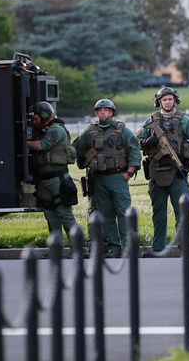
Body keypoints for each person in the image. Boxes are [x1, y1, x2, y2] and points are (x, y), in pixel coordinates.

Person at [137, 87, 189, 254]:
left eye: (170, 99)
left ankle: (185, 246)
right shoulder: (151, 120)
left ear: (175, 100)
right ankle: (158, 247)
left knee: (182, 211)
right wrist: (147, 142)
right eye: (164, 99)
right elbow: (136, 141)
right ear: (159, 101)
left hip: (178, 172)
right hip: (156, 172)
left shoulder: (185, 120)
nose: (167, 102)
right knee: (158, 212)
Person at [73, 99, 141, 258]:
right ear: (96, 113)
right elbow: (75, 148)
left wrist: (128, 173)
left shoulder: (122, 130)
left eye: (106, 110)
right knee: (106, 215)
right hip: (98, 179)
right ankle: (114, 248)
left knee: (124, 213)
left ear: (111, 112)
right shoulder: (89, 131)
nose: (102, 113)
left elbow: (135, 151)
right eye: (99, 110)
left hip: (118, 176)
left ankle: (129, 247)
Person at [27, 101, 79, 240]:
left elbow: (42, 145)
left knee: (65, 215)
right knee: (50, 216)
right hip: (44, 181)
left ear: (44, 115)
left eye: (36, 118)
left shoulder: (57, 130)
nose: (34, 121)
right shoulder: (44, 130)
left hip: (58, 180)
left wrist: (21, 142)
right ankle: (57, 249)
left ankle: (79, 248)